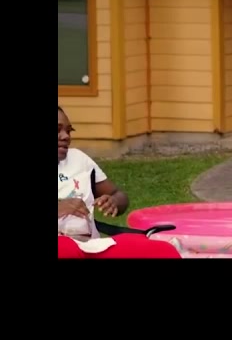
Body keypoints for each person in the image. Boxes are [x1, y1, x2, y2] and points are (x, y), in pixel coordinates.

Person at [58, 106, 183, 259]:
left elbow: (118, 195)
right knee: (64, 248)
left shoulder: (79, 160)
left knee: (163, 251)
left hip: (91, 248)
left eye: (69, 131)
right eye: (58, 130)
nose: (66, 136)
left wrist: (114, 201)